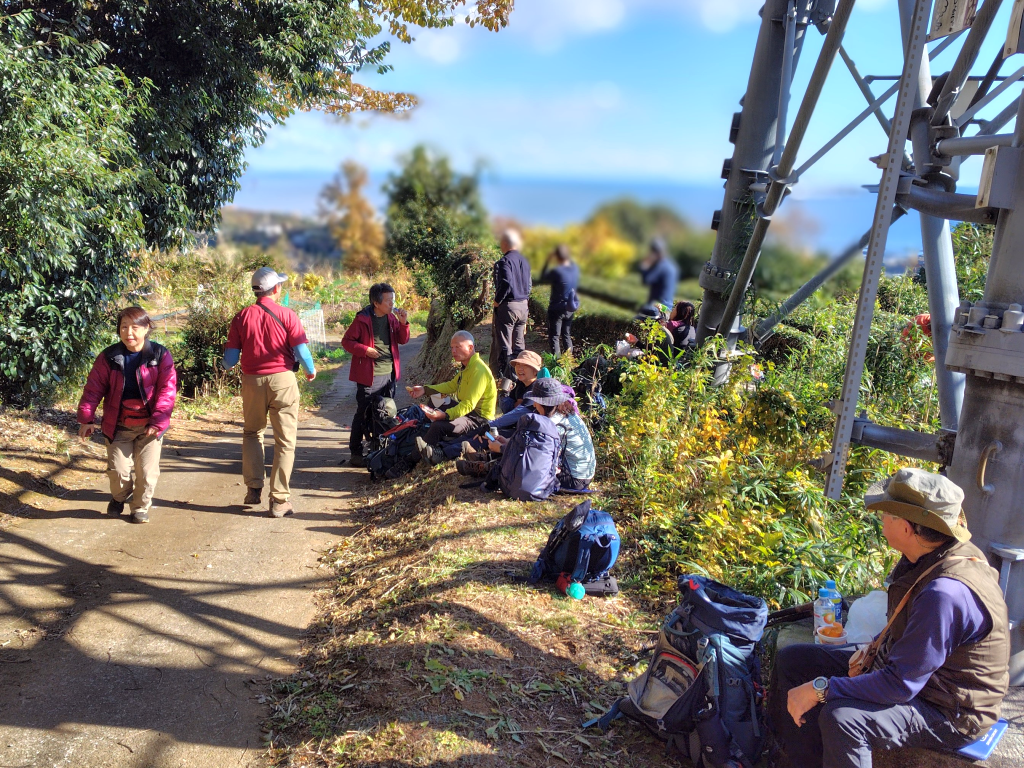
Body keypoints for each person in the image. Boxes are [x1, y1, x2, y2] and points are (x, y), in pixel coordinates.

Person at [769, 468, 1010, 768]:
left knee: (842, 718)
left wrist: (823, 687)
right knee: (794, 661)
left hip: (951, 710)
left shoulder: (945, 593)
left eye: (887, 513)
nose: (881, 518)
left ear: (907, 528)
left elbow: (900, 684)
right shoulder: (927, 553)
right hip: (920, 676)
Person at [223, 267, 316, 518]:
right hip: (283, 381)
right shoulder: (287, 315)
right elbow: (302, 352)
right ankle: (279, 500)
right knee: (285, 440)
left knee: (252, 432)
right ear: (276, 289)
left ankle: (253, 489)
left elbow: (229, 360)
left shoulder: (241, 317)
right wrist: (310, 371)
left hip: (252, 382)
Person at [77, 307, 178, 524]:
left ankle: (140, 508)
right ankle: (119, 497)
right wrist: (86, 418)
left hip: (149, 426)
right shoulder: (109, 357)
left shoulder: (160, 355)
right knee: (118, 472)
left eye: (134, 327)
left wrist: (158, 420)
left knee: (147, 473)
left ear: (146, 328)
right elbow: (93, 389)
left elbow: (167, 391)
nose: (129, 333)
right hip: (119, 425)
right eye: (124, 327)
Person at [341, 282, 411, 466]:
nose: (392, 304)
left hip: (389, 374)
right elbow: (347, 341)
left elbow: (403, 340)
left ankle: (379, 448)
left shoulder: (392, 319)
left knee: (385, 412)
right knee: (363, 413)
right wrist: (365, 350)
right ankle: (355, 452)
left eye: (393, 300)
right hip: (368, 376)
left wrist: (404, 324)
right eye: (388, 300)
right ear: (376, 302)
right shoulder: (362, 320)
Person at [410, 330, 497, 465]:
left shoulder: (479, 370)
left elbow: (468, 404)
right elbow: (452, 385)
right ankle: (424, 437)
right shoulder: (467, 366)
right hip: (467, 412)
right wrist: (425, 389)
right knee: (434, 401)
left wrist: (444, 415)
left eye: (457, 346)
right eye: (452, 347)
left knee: (438, 426)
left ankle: (412, 459)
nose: (453, 350)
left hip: (479, 420)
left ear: (470, 347)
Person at [489, 228, 532, 378]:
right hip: (523, 306)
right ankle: (522, 377)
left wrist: (496, 301)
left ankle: (507, 379)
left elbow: (506, 283)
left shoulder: (504, 262)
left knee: (505, 345)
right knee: (519, 345)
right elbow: (529, 285)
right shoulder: (525, 262)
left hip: (508, 307)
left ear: (506, 243)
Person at [539, 244, 580, 357]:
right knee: (566, 335)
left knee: (554, 337)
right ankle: (568, 361)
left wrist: (547, 260)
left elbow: (542, 277)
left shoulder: (556, 272)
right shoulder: (575, 269)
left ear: (557, 257)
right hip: (570, 307)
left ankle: (556, 363)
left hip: (556, 308)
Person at [638, 237, 678, 314]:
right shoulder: (671, 265)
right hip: (667, 307)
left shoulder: (661, 265)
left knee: (635, 321)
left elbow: (646, 280)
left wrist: (645, 266)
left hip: (659, 307)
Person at [499, 350, 543, 414]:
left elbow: (517, 413)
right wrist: (504, 392)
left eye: (525, 365)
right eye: (518, 364)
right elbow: (507, 410)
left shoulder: (537, 389)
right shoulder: (519, 383)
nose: (519, 368)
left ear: (535, 370)